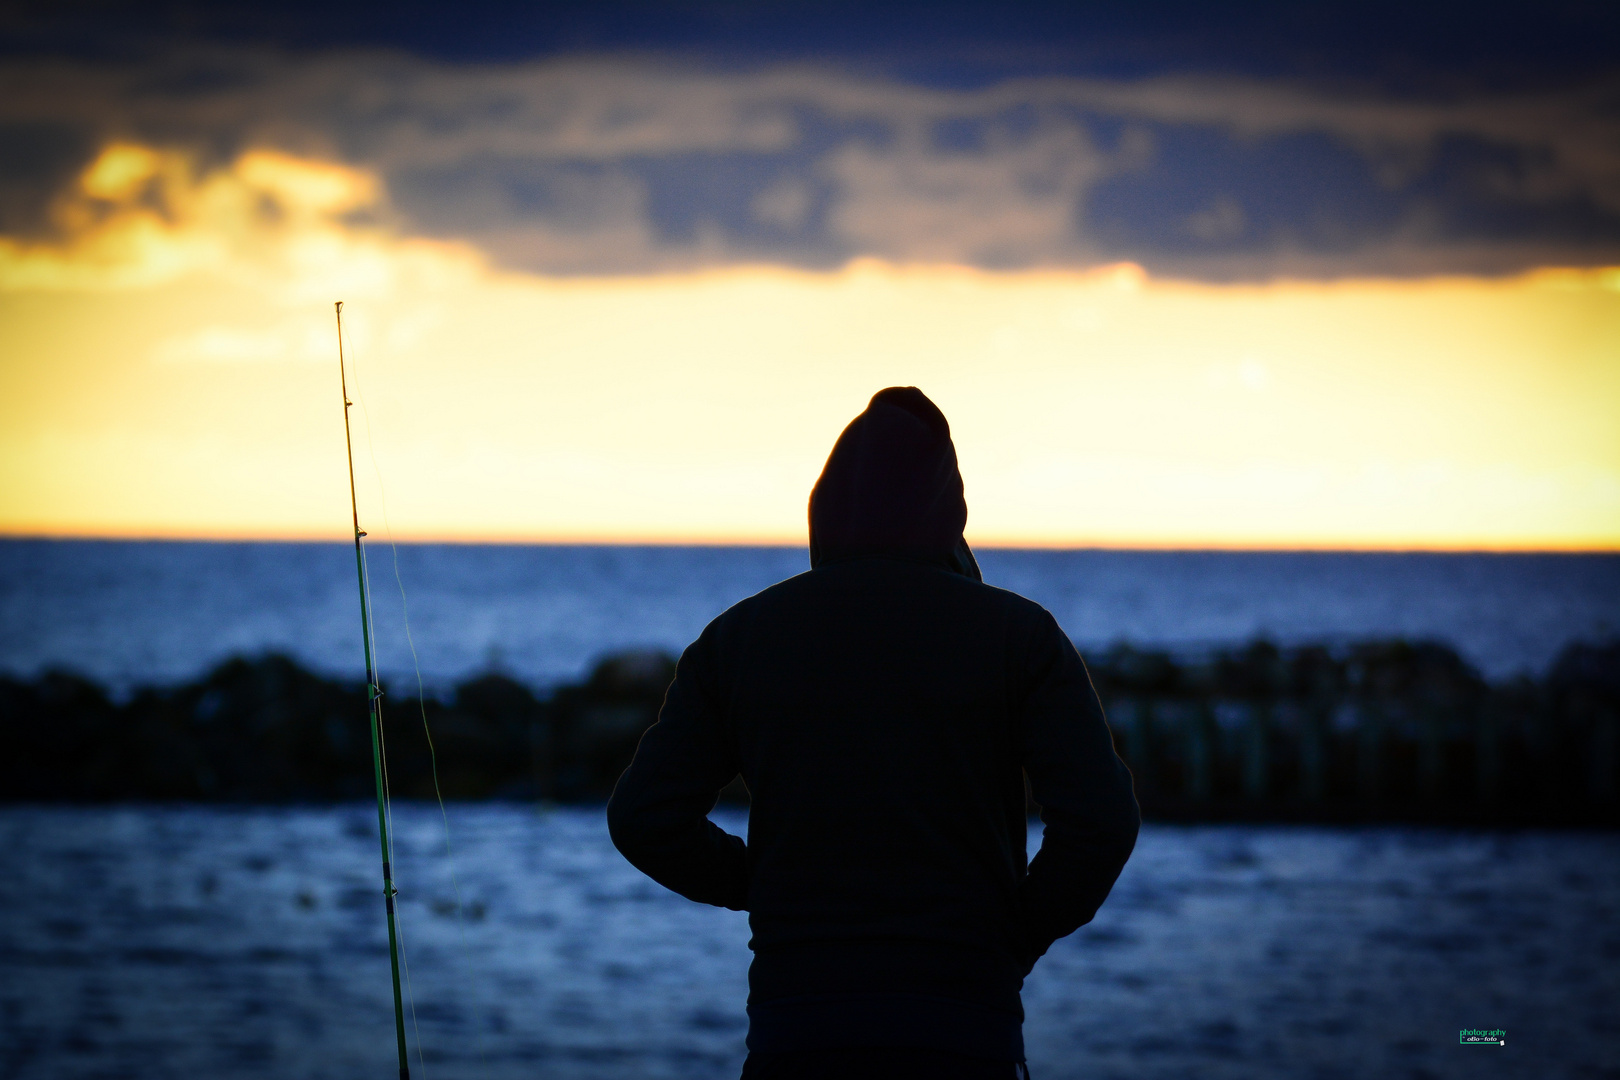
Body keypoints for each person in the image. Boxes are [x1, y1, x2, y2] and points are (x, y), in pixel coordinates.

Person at [607, 387, 1140, 1079]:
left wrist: (762, 884)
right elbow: (1100, 825)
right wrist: (1014, 933)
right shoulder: (1019, 634)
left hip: (796, 1029)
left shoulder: (738, 638)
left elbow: (645, 818)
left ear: (824, 507)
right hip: (964, 1030)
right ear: (950, 510)